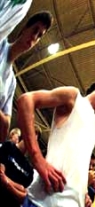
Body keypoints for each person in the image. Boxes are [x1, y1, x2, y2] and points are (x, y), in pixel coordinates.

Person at [0, 11, 53, 143]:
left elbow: (4, 127)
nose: (34, 37)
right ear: (24, 28)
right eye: (34, 30)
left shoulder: (11, 82)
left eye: (39, 35)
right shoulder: (1, 43)